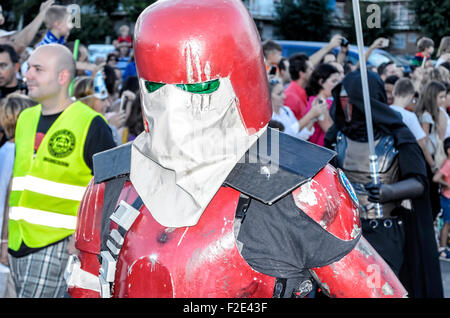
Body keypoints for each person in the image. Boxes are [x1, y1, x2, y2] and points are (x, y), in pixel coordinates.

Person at [65, 0, 407, 299]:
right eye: (155, 86)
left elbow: (372, 287)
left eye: (199, 87)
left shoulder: (301, 186)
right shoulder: (111, 183)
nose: (171, 105)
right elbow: (86, 284)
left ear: (241, 78)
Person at [5, 44, 116, 298]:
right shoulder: (26, 118)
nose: (27, 74)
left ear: (62, 77)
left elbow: (110, 187)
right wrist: (4, 239)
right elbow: (17, 182)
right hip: (17, 242)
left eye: (37, 69)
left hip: (56, 244)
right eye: (29, 67)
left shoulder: (90, 123)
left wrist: (83, 239)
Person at [324, 70, 444, 298]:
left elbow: (419, 182)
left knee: (380, 290)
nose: (347, 108)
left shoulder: (397, 134)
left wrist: (390, 190)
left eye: (352, 101)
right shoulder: (336, 135)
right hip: (345, 230)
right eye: (342, 101)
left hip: (385, 229)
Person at [0, 94, 37, 298]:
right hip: (9, 240)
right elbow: (11, 198)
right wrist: (5, 241)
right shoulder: (21, 155)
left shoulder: (4, 151)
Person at [269, 76, 325, 140]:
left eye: (283, 92)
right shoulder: (267, 118)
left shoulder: (286, 110)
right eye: (279, 94)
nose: (284, 96)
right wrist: (310, 115)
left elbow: (300, 135)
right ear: (267, 96)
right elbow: (286, 136)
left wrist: (313, 117)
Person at [304, 63, 340, 146]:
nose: (337, 85)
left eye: (337, 81)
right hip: (319, 152)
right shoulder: (318, 103)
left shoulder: (326, 101)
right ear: (321, 82)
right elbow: (329, 130)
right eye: (333, 81)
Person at [433, 137, 450, 261]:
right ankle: (442, 249)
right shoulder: (448, 163)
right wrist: (448, 185)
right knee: (446, 223)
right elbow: (436, 178)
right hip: (447, 198)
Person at [284, 53, 313, 120]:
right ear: (301, 74)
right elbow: (290, 128)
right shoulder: (291, 96)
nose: (313, 72)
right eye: (311, 69)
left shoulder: (300, 91)